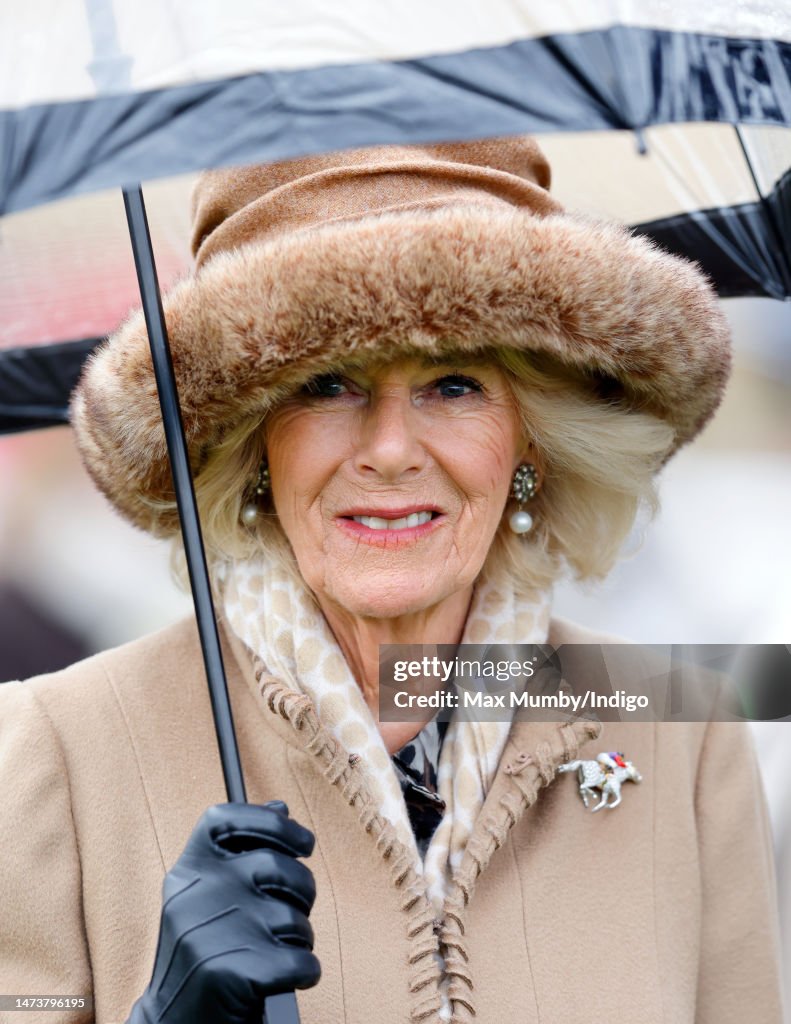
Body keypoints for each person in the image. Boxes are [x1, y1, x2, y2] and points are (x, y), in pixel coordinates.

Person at [0, 137, 784, 1024]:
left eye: (453, 386)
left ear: (531, 441)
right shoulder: (57, 749)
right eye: (327, 385)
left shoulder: (686, 731)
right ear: (252, 443)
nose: (388, 450)